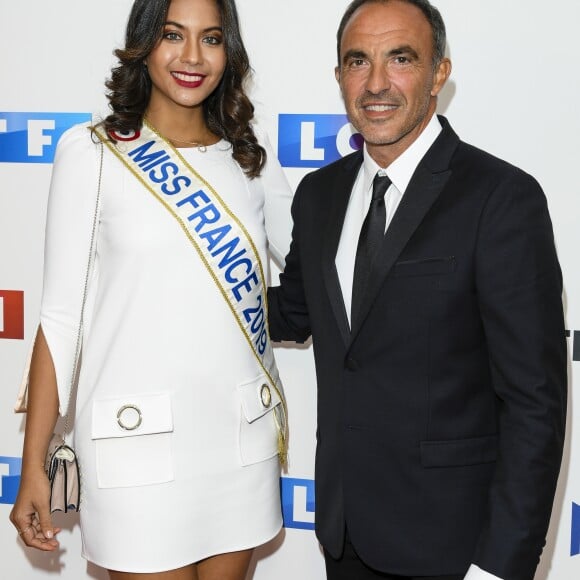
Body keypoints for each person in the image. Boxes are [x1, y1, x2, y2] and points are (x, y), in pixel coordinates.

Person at [267, 1, 567, 579]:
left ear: (439, 73)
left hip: (456, 551)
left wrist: (500, 567)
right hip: (346, 536)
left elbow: (535, 403)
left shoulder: (501, 199)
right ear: (339, 77)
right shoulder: (319, 196)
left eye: (400, 58)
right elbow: (293, 311)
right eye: (358, 61)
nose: (376, 83)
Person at [9, 0, 293, 579]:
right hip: (134, 444)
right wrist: (32, 462)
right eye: (172, 34)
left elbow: (313, 271)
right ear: (144, 42)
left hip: (238, 445)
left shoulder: (249, 160)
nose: (192, 56)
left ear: (228, 51)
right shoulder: (93, 152)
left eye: (211, 38)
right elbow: (61, 319)